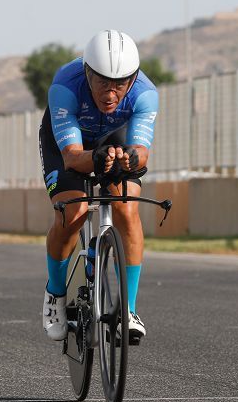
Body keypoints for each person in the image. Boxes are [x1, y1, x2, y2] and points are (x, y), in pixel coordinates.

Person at [39, 29, 158, 343]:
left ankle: (128, 310)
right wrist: (95, 157)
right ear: (87, 72)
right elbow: (72, 157)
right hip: (69, 144)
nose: (111, 93)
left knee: (127, 208)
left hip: (114, 138)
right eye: (103, 82)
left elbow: (142, 151)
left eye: (120, 84)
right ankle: (55, 294)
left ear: (133, 80)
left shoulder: (145, 93)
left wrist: (130, 158)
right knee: (73, 211)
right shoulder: (65, 86)